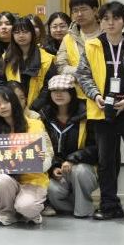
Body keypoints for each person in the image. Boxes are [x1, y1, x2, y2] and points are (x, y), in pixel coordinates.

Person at [73, 1, 124, 220]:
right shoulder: (92, 45)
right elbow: (83, 74)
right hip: (102, 109)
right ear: (100, 21)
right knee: (106, 161)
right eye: (106, 19)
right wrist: (96, 96)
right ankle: (109, 205)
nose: (111, 23)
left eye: (116, 18)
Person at [0, 85, 50, 226]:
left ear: (15, 102)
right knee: (1, 180)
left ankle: (31, 213)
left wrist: (42, 160)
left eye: (6, 102)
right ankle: (7, 213)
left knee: (26, 207)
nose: (2, 107)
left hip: (32, 180)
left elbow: (47, 158)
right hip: (7, 181)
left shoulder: (35, 124)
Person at [41, 74, 97, 219]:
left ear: (72, 92)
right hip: (60, 170)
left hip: (84, 167)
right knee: (51, 190)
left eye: (63, 90)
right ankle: (78, 205)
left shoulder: (87, 113)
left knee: (80, 171)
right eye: (54, 90)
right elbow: (44, 147)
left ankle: (83, 211)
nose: (58, 94)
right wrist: (54, 168)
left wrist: (72, 160)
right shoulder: (44, 116)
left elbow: (96, 147)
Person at [4, 15, 56, 113]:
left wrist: (34, 108)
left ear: (32, 33)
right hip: (11, 108)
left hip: (39, 110)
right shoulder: (6, 58)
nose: (21, 35)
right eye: (17, 32)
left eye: (25, 32)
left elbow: (48, 87)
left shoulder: (47, 58)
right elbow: (1, 82)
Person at [58, 0, 101, 75]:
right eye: (75, 11)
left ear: (95, 11)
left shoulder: (108, 34)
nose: (79, 14)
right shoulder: (68, 38)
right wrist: (82, 71)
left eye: (84, 9)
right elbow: (60, 66)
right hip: (78, 81)